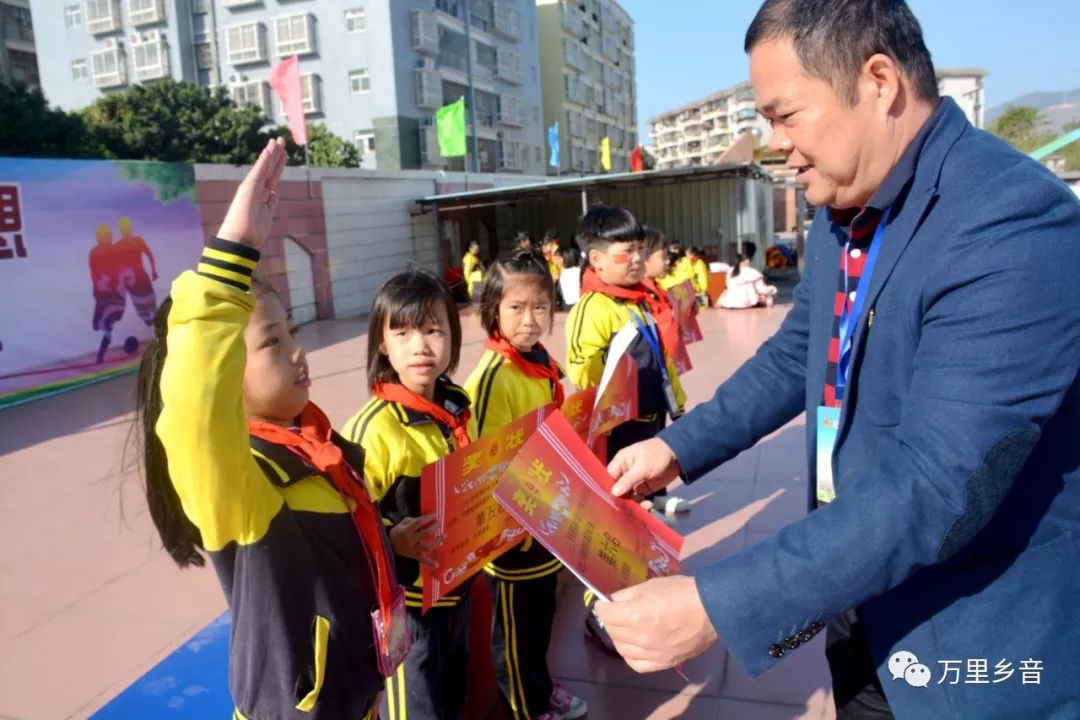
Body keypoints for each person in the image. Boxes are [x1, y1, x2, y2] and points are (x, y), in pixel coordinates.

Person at [593, 2, 1080, 719]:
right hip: (852, 587)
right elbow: (799, 355)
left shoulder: (1006, 220)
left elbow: (941, 482)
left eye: (785, 116)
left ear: (878, 80)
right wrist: (674, 447)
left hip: (961, 631)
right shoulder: (843, 211)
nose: (776, 144)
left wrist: (719, 605)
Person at [139, 138, 395, 720]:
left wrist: (393, 543)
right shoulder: (245, 487)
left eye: (293, 331)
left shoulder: (322, 453)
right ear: (227, 374)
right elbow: (192, 416)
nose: (298, 353)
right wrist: (233, 253)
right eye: (273, 342)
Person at [463, 250, 588, 720]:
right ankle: (523, 706)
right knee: (515, 627)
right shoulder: (497, 375)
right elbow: (486, 462)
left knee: (541, 617)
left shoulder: (539, 363)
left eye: (540, 306)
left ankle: (538, 686)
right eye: (516, 308)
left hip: (544, 510)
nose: (530, 319)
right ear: (492, 311)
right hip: (514, 525)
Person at [343, 270, 473, 720]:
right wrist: (391, 541)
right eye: (403, 332)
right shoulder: (373, 431)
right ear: (382, 344)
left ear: (452, 337)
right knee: (413, 708)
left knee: (449, 695)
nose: (420, 345)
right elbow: (342, 523)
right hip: (407, 611)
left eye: (434, 330)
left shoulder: (455, 409)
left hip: (455, 593)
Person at [565, 205, 687, 654]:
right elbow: (582, 375)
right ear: (595, 260)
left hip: (649, 425)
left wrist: (679, 408)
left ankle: (636, 597)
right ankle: (600, 613)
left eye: (638, 250)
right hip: (615, 436)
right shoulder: (592, 309)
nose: (635, 259)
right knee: (609, 527)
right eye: (624, 252)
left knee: (640, 520)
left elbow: (663, 362)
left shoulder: (643, 299)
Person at [89, 224, 125, 363]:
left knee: (107, 324)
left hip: (113, 293)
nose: (107, 238)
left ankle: (100, 354)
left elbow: (120, 269)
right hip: (104, 292)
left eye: (108, 235)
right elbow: (94, 272)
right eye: (104, 236)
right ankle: (101, 353)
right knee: (101, 324)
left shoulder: (114, 251)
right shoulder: (96, 252)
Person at [115, 215, 159, 324]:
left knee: (146, 305)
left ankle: (152, 324)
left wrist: (153, 271)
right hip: (138, 277)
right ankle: (154, 325)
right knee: (149, 304)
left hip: (134, 279)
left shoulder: (119, 245)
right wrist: (153, 271)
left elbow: (117, 268)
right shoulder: (136, 241)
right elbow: (150, 255)